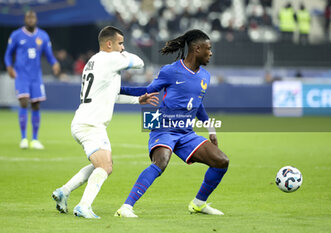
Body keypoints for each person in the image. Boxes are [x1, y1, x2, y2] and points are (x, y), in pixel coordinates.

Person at [115, 29, 229, 218]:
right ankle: (126, 207)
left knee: (221, 161)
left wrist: (211, 128)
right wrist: (116, 89)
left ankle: (198, 204)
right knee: (161, 162)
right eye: (208, 49)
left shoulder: (205, 76)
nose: (211, 53)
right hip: (164, 127)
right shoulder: (171, 71)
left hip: (186, 133)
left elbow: (198, 105)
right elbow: (147, 90)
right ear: (197, 49)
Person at [51, 26, 159, 219]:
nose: (123, 47)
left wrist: (137, 100)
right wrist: (125, 54)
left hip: (83, 121)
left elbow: (112, 95)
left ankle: (64, 191)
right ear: (109, 44)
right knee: (105, 167)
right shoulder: (110, 58)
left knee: (101, 165)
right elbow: (140, 62)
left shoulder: (93, 61)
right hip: (91, 125)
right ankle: (84, 206)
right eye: (120, 43)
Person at [4, 11, 60, 149]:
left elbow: (49, 55)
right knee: (23, 102)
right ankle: (23, 138)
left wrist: (55, 63)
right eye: (28, 17)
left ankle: (34, 139)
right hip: (21, 75)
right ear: (24, 20)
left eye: (33, 17)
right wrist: (9, 67)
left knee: (36, 105)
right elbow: (7, 54)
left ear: (36, 19)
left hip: (36, 77)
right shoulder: (16, 35)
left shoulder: (43, 36)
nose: (30, 19)